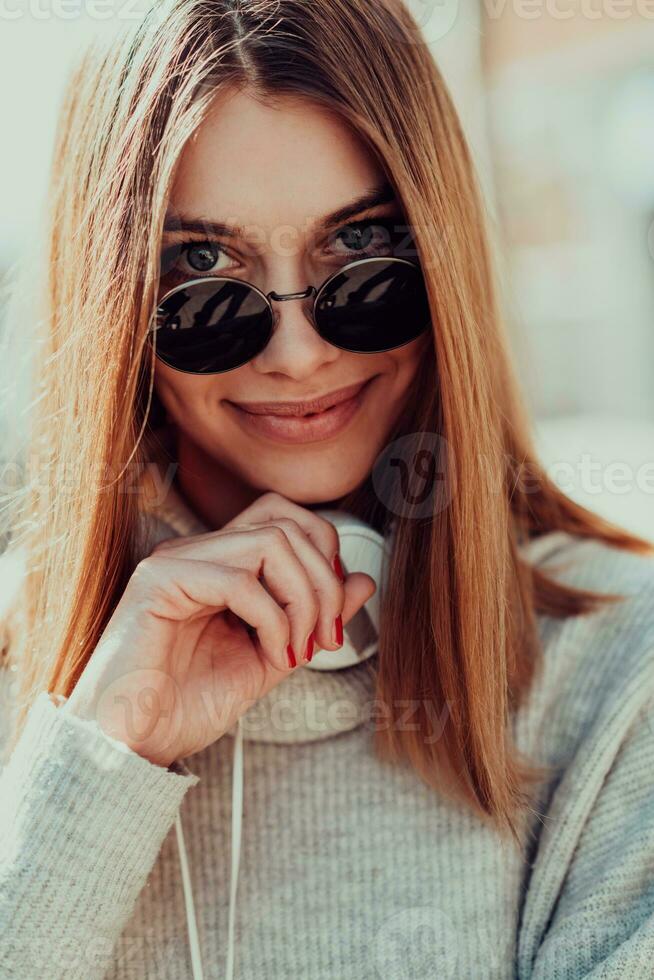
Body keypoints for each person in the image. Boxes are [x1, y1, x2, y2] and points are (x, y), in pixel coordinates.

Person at [1, 2, 654, 978]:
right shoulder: (21, 658)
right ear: (115, 301)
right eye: (201, 267)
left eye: (361, 251)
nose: (299, 353)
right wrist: (101, 749)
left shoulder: (617, 673)